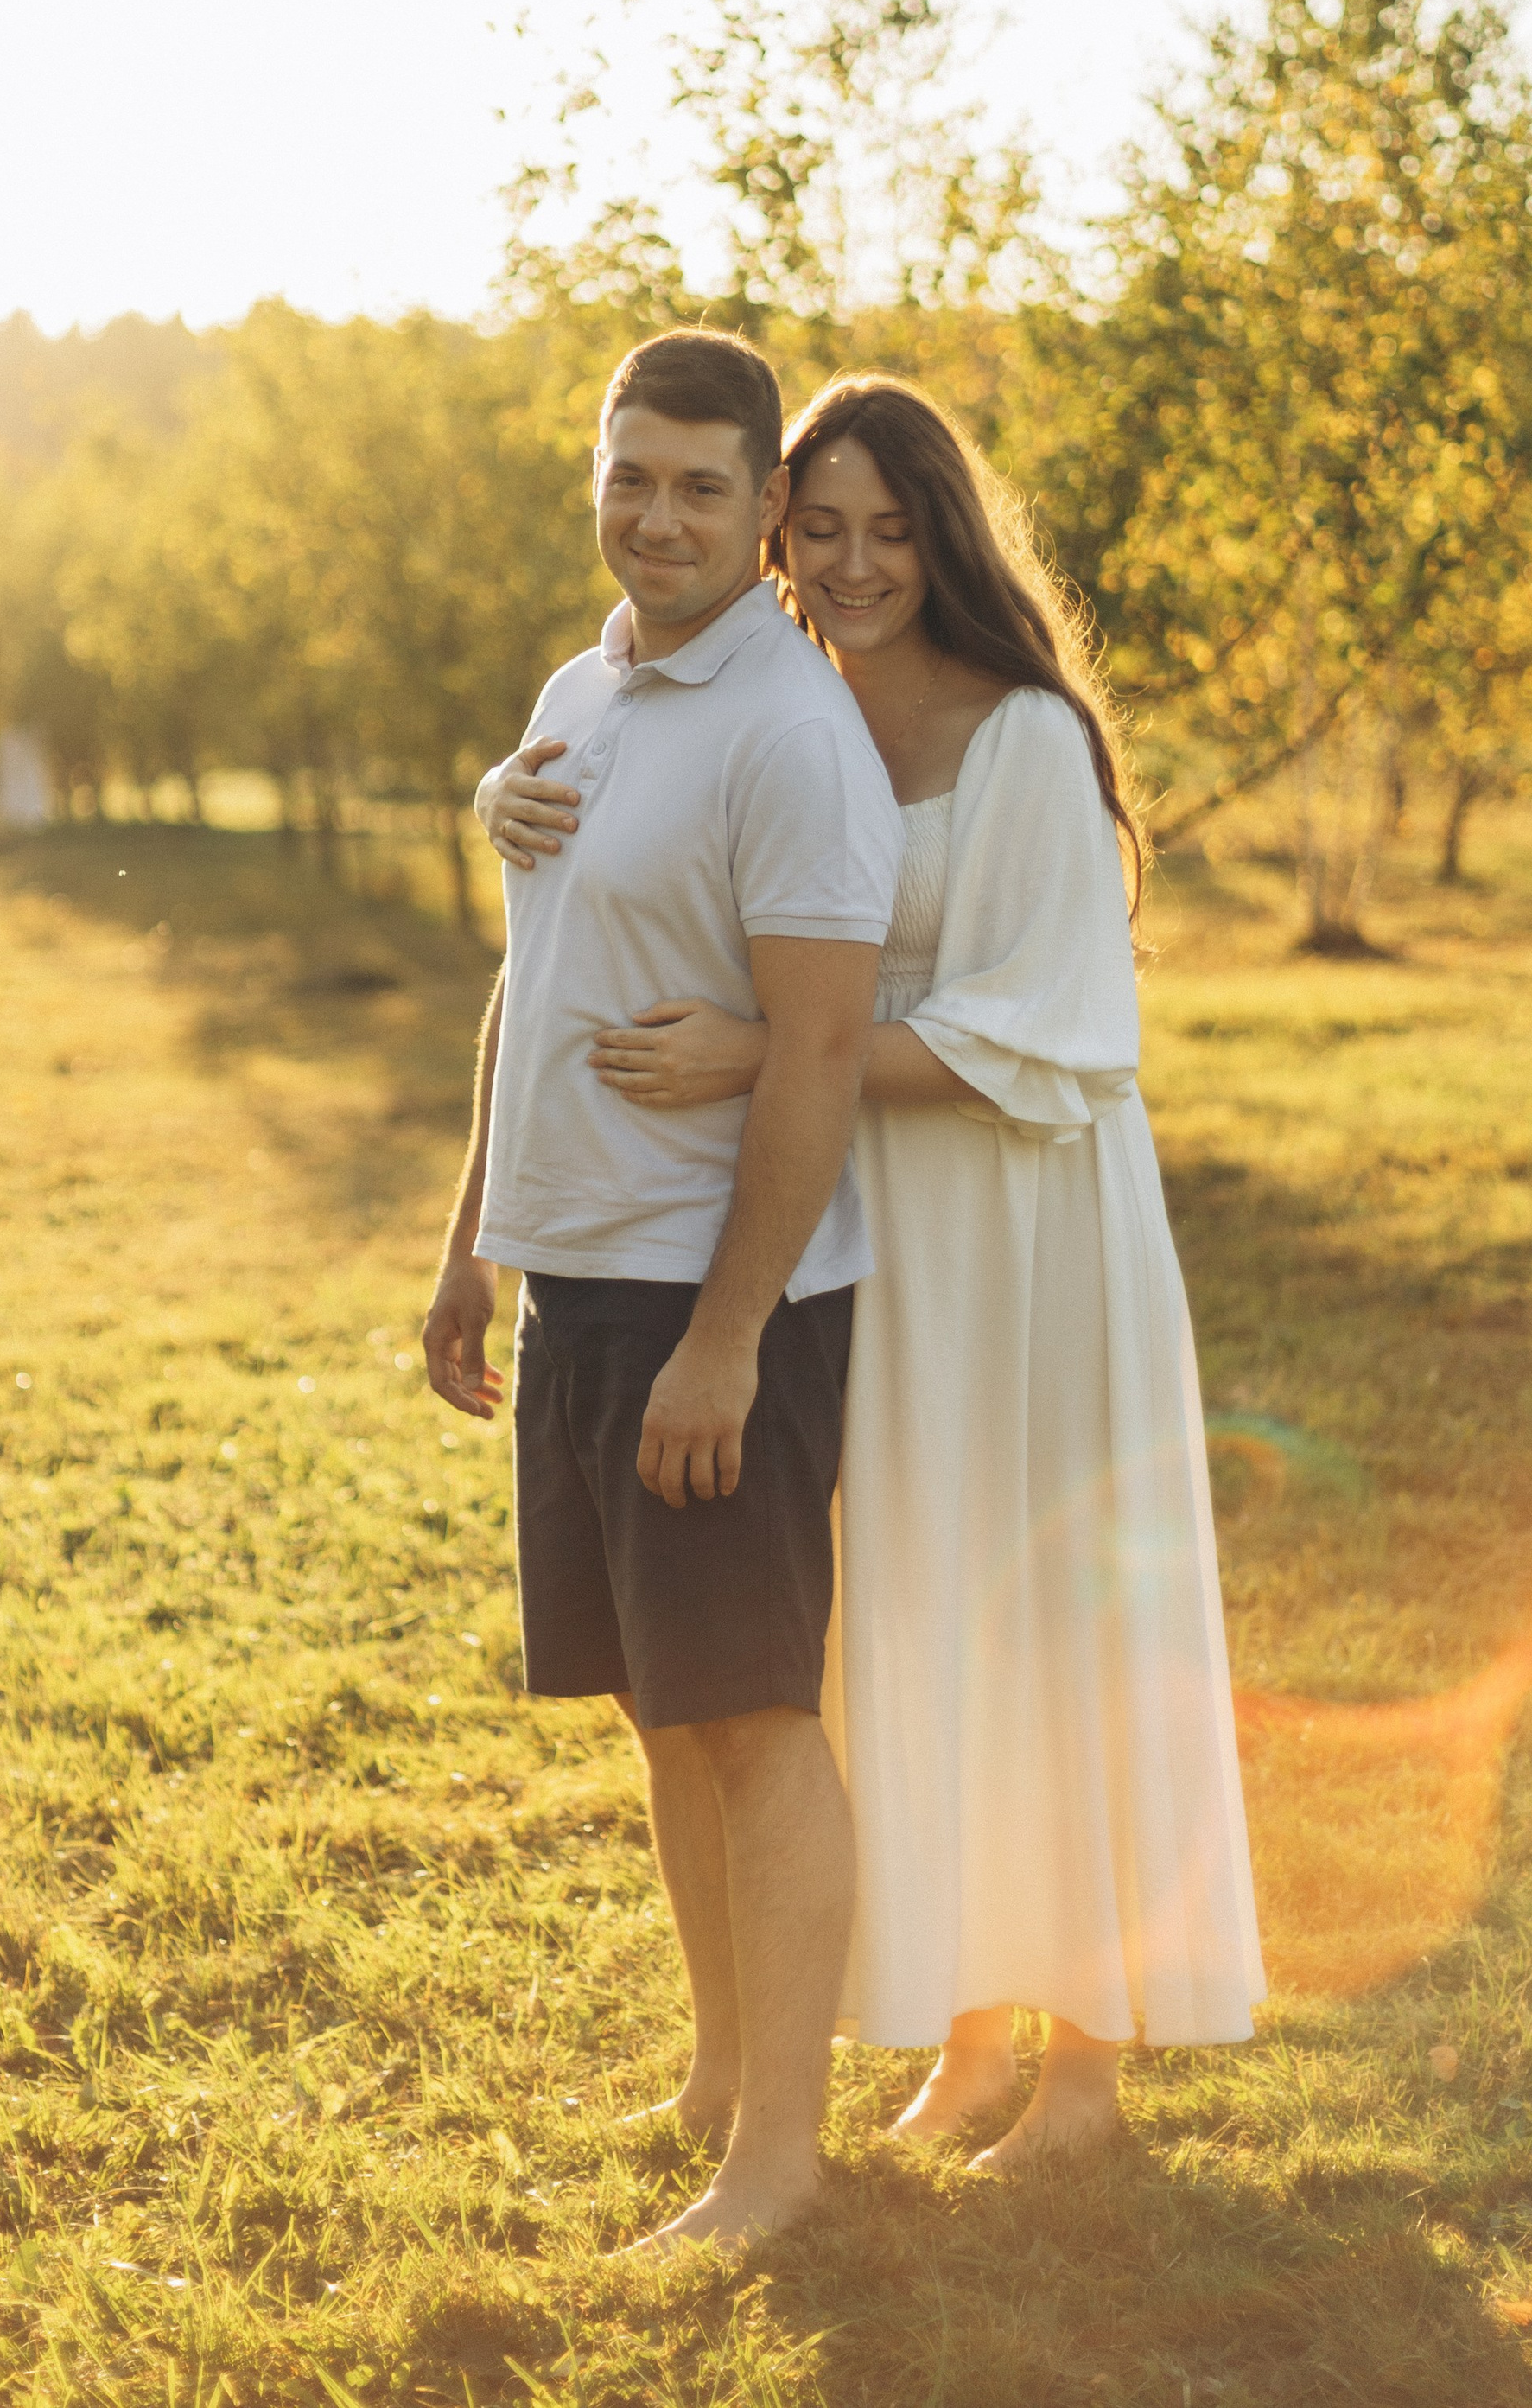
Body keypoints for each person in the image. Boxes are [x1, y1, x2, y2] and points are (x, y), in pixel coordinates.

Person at [483, 375, 1262, 2171]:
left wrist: (765, 1050)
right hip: (878, 1225)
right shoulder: (800, 713)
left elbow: (1054, 1033)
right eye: (816, 528)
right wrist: (503, 796)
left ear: (943, 537)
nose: (848, 563)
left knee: (1055, 1613)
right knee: (915, 1616)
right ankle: (968, 2030)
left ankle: (1083, 2065)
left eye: (886, 529)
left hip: (1034, 1226)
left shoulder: (1025, 743)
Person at [422, 328, 902, 2252]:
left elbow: (811, 1056)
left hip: (719, 1305)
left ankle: (777, 2159)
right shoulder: (580, 685)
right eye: (631, 474)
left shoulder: (790, 729)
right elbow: (526, 981)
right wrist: (472, 1235)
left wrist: (722, 1336)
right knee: (664, 1709)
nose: (659, 513)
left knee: (755, 1714)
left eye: (703, 484)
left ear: (767, 507)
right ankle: (718, 2068)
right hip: (577, 1278)